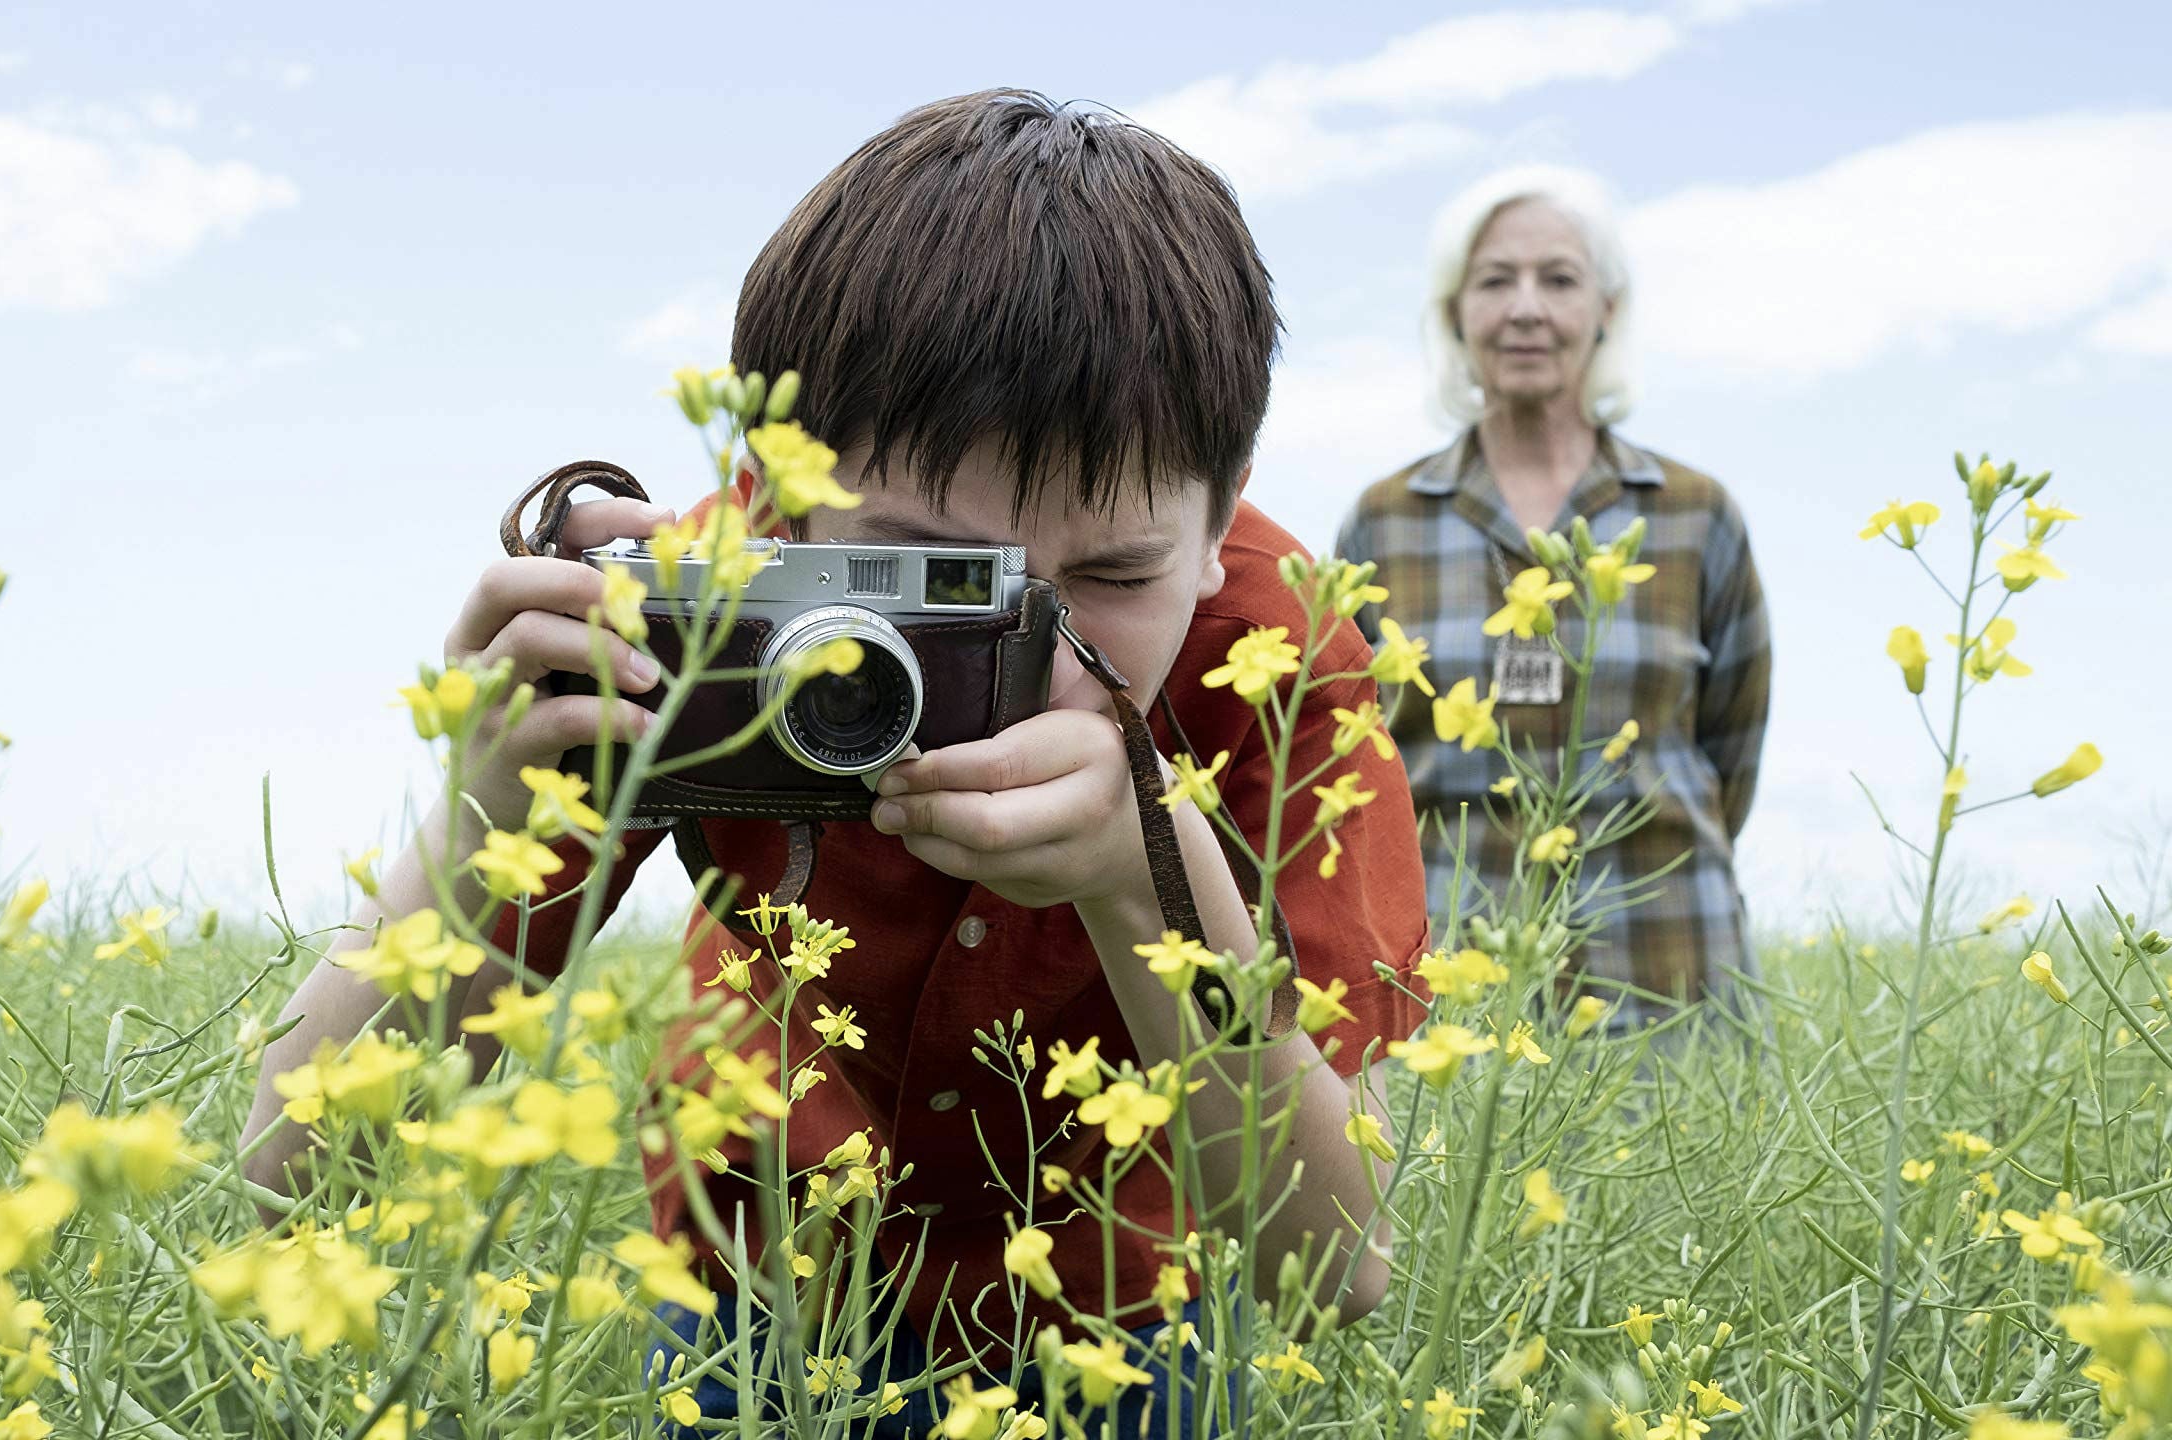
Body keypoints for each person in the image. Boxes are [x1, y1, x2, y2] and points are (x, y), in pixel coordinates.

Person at [243, 89, 1431, 1434]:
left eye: (1110, 577)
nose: (1025, 657)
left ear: (1224, 517)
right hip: (758, 1279)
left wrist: (1147, 872)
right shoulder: (701, 601)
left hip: (1123, 1306)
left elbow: (1335, 1265)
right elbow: (295, 1156)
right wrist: (486, 815)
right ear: (778, 492)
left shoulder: (1279, 657)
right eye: (921, 580)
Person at [1334, 165, 1771, 1031]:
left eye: (1559, 279)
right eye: (1495, 281)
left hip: (1669, 965)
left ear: (1606, 309)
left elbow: (1732, 756)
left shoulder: (1693, 514)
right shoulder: (1383, 522)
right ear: (1456, 313)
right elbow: (1349, 748)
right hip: (1447, 979)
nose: (1526, 308)